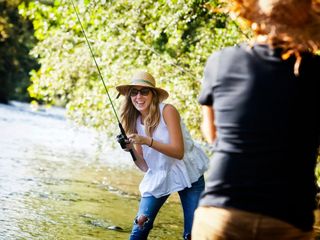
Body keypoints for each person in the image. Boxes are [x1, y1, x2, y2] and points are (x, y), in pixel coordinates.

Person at [192, 0, 320, 239]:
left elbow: (212, 135)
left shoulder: (222, 61)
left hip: (222, 210)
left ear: (251, 14)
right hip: (289, 215)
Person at [115, 71, 209, 240]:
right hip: (160, 175)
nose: (138, 97)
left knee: (192, 235)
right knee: (139, 227)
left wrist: (146, 140)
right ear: (129, 96)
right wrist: (131, 149)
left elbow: (178, 152)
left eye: (144, 91)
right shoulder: (133, 121)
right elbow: (145, 166)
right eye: (134, 92)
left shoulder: (168, 111)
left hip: (189, 174)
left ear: (153, 94)